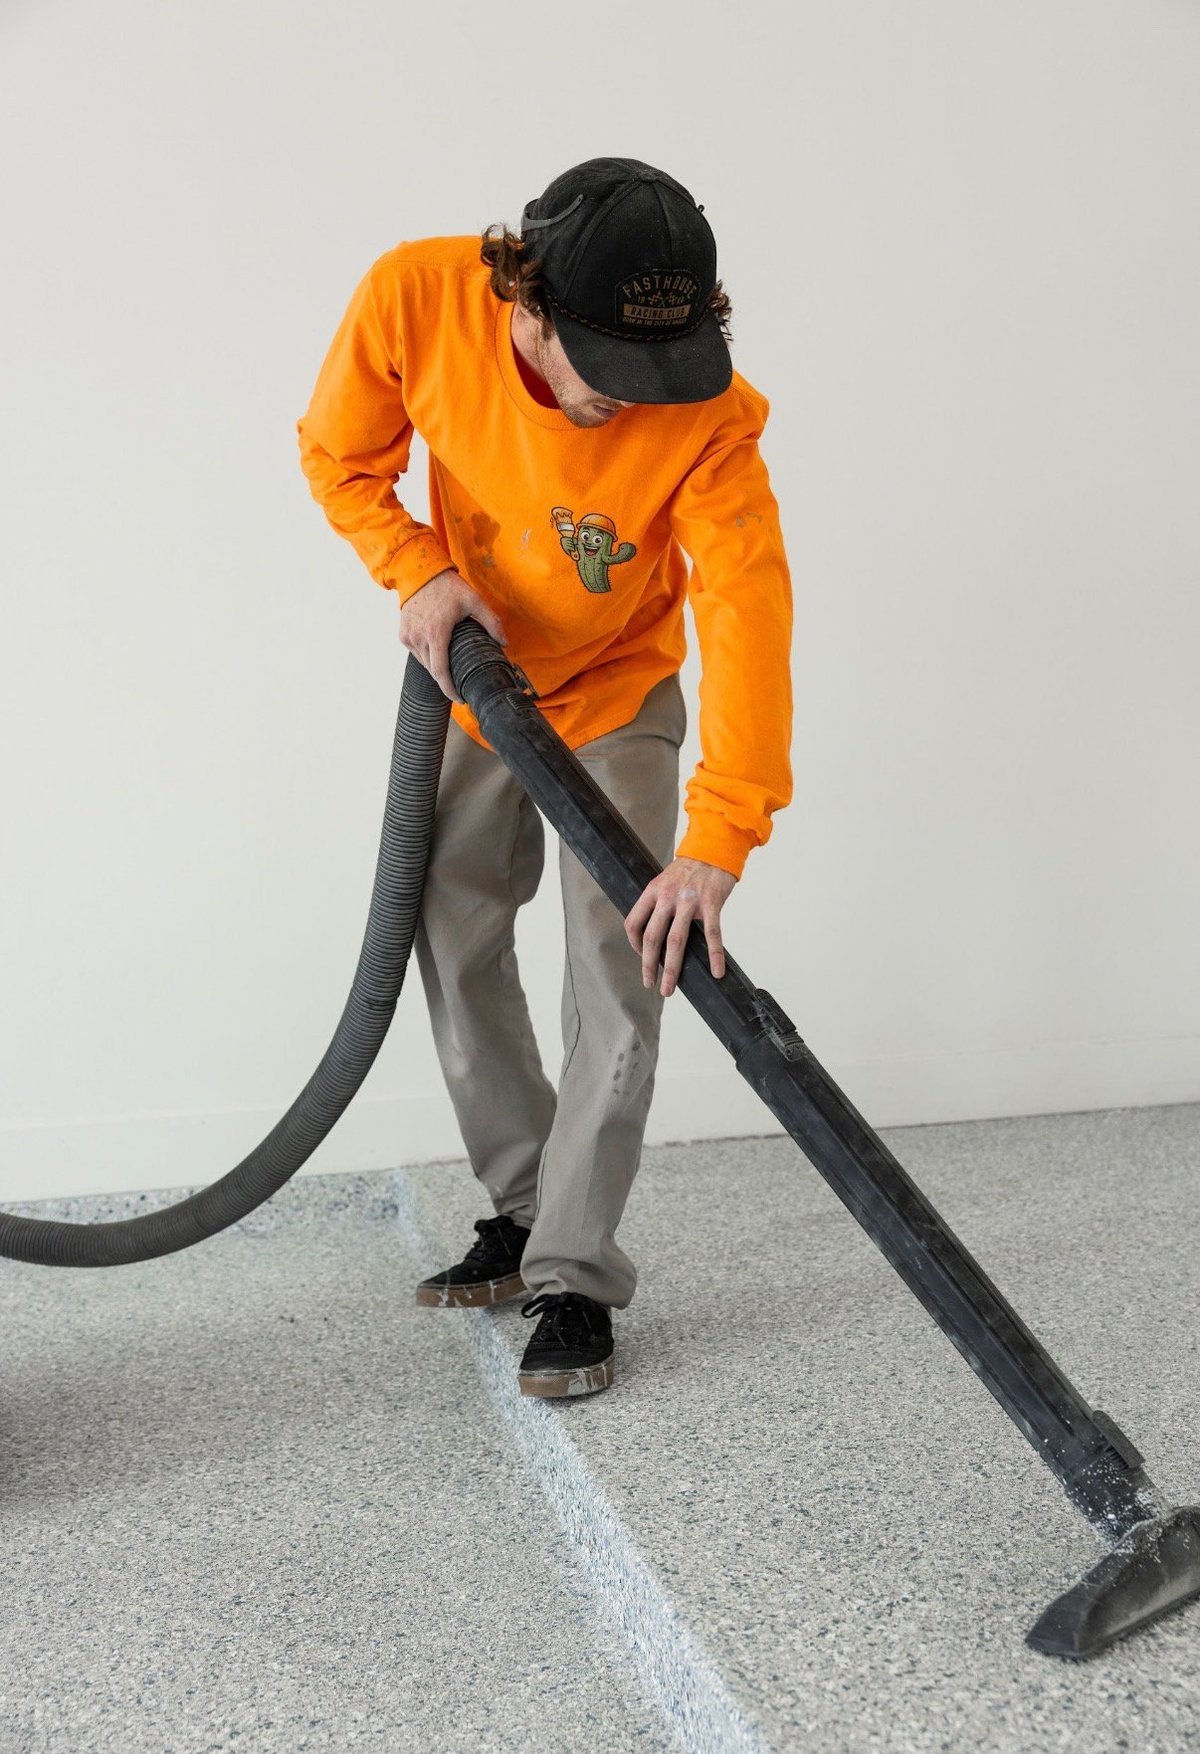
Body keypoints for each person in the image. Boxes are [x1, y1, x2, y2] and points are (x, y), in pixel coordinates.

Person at [297, 156, 792, 1399]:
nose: (633, 400)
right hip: (484, 686)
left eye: (658, 368)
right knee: (449, 928)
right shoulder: (417, 301)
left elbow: (748, 607)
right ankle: (523, 1210)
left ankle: (574, 1270)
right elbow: (338, 455)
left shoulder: (706, 414)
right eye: (608, 369)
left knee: (625, 968)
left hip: (619, 695)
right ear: (527, 301)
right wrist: (416, 567)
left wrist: (719, 836)